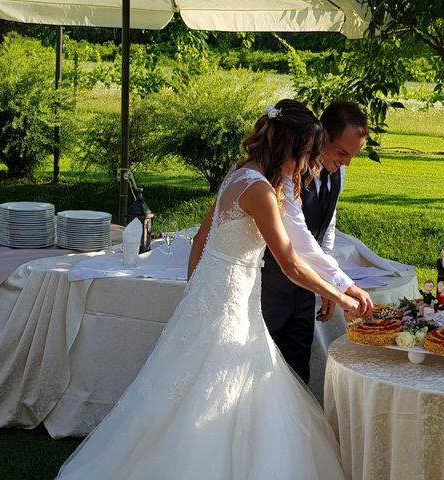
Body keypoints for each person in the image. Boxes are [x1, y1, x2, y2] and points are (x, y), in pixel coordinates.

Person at [56, 100, 359, 480]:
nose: (305, 166)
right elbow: (290, 263)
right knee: (221, 384)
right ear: (290, 150)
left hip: (216, 295)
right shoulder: (261, 192)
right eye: (304, 155)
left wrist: (196, 290)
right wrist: (344, 296)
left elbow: (201, 239)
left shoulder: (239, 175)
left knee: (197, 380)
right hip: (229, 301)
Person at [261, 101, 372, 383]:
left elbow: (326, 229)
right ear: (321, 137)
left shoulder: (339, 172)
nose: (346, 162)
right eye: (342, 153)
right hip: (271, 287)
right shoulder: (287, 172)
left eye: (353, 156)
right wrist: (343, 285)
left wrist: (325, 284)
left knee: (297, 373)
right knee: (263, 371)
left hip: (305, 289)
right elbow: (298, 238)